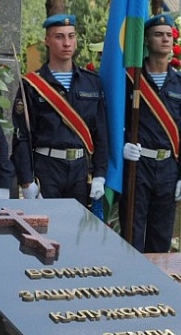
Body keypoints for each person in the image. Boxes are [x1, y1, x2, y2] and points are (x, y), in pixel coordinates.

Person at [11, 14, 108, 206]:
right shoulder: (31, 85)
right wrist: (26, 181)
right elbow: (21, 136)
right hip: (46, 169)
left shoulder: (92, 82)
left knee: (77, 233)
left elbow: (101, 132)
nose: (67, 43)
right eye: (59, 37)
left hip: (81, 171)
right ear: (47, 40)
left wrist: (100, 174)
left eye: (71, 36)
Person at [119, 14, 181, 253]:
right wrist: (122, 145)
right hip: (137, 166)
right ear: (147, 41)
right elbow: (115, 121)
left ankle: (156, 286)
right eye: (158, 35)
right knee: (132, 234)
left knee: (161, 237)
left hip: (167, 169)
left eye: (168, 35)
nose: (165, 39)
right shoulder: (132, 80)